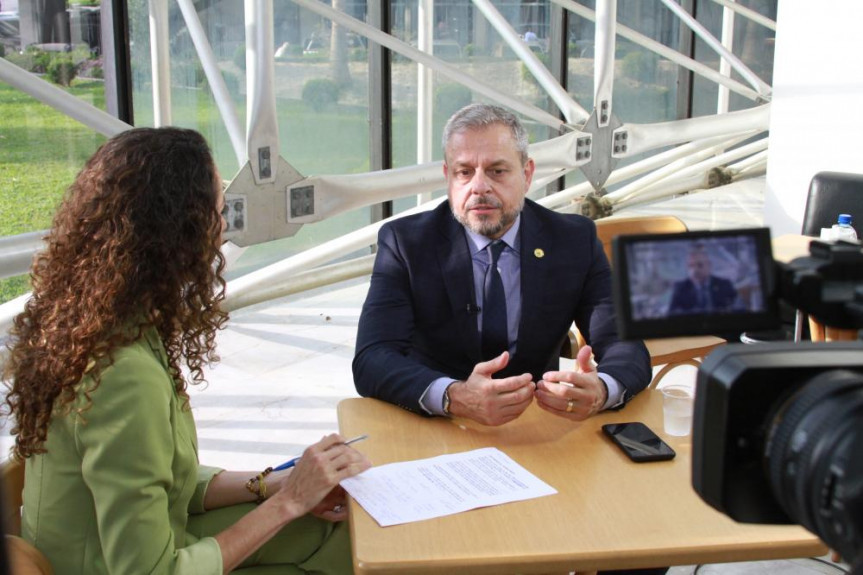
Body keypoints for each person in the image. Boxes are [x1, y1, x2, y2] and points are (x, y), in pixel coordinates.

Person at [2, 127, 370, 574]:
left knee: (342, 529)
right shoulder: (124, 375)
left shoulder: (96, 324)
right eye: (217, 216)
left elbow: (163, 481)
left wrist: (275, 484)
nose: (221, 235)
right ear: (177, 238)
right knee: (347, 549)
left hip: (141, 545)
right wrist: (290, 501)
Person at [353, 103, 651, 428]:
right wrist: (453, 396)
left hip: (535, 423)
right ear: (448, 177)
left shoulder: (573, 240)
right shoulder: (405, 244)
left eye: (497, 171)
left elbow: (624, 341)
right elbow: (372, 358)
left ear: (527, 174)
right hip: (437, 422)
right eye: (464, 172)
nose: (479, 187)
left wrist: (602, 388)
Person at [668, 243, 741, 315]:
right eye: (691, 266)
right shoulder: (680, 288)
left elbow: (739, 309)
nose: (694, 270)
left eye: (700, 265)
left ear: (709, 266)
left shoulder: (724, 285)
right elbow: (672, 314)